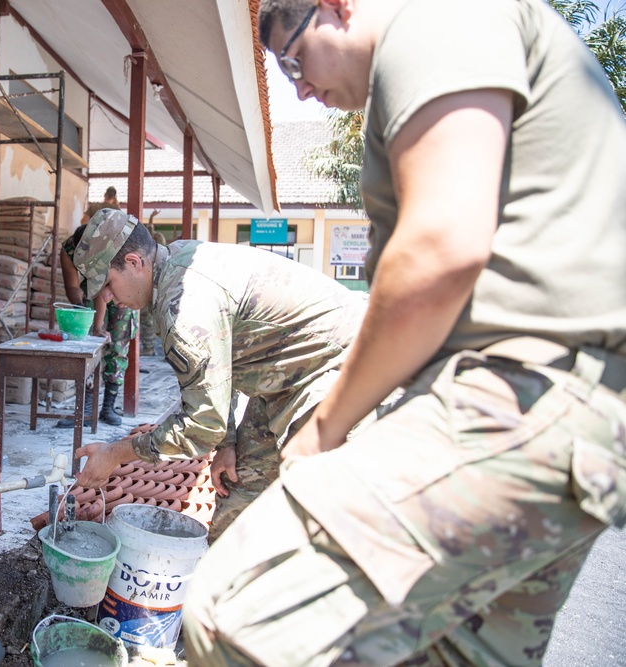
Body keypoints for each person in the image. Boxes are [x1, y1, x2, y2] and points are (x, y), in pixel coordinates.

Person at [181, 0, 626, 664]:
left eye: (294, 59)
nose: (298, 87)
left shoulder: (437, 18)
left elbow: (438, 251)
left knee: (231, 605)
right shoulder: (422, 70)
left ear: (337, 5)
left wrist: (330, 427)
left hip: (526, 392)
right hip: (566, 415)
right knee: (444, 651)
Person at [71, 209, 369, 540]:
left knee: (321, 520)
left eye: (108, 284)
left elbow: (200, 426)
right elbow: (218, 370)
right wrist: (227, 441)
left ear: (134, 262)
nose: (108, 299)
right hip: (283, 378)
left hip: (342, 370)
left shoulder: (184, 307)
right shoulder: (175, 259)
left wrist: (115, 454)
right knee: (239, 502)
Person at [57, 215, 139, 427]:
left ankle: (108, 407)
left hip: (121, 294)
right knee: (89, 349)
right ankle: (86, 409)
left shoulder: (105, 247)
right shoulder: (68, 249)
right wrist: (82, 310)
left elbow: (103, 288)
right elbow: (73, 286)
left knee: (117, 347)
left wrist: (98, 326)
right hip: (90, 296)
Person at [139, 209, 166, 356]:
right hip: (153, 294)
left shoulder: (153, 258)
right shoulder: (160, 255)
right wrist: (150, 217)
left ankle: (149, 348)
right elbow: (150, 229)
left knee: (147, 321)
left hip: (151, 294)